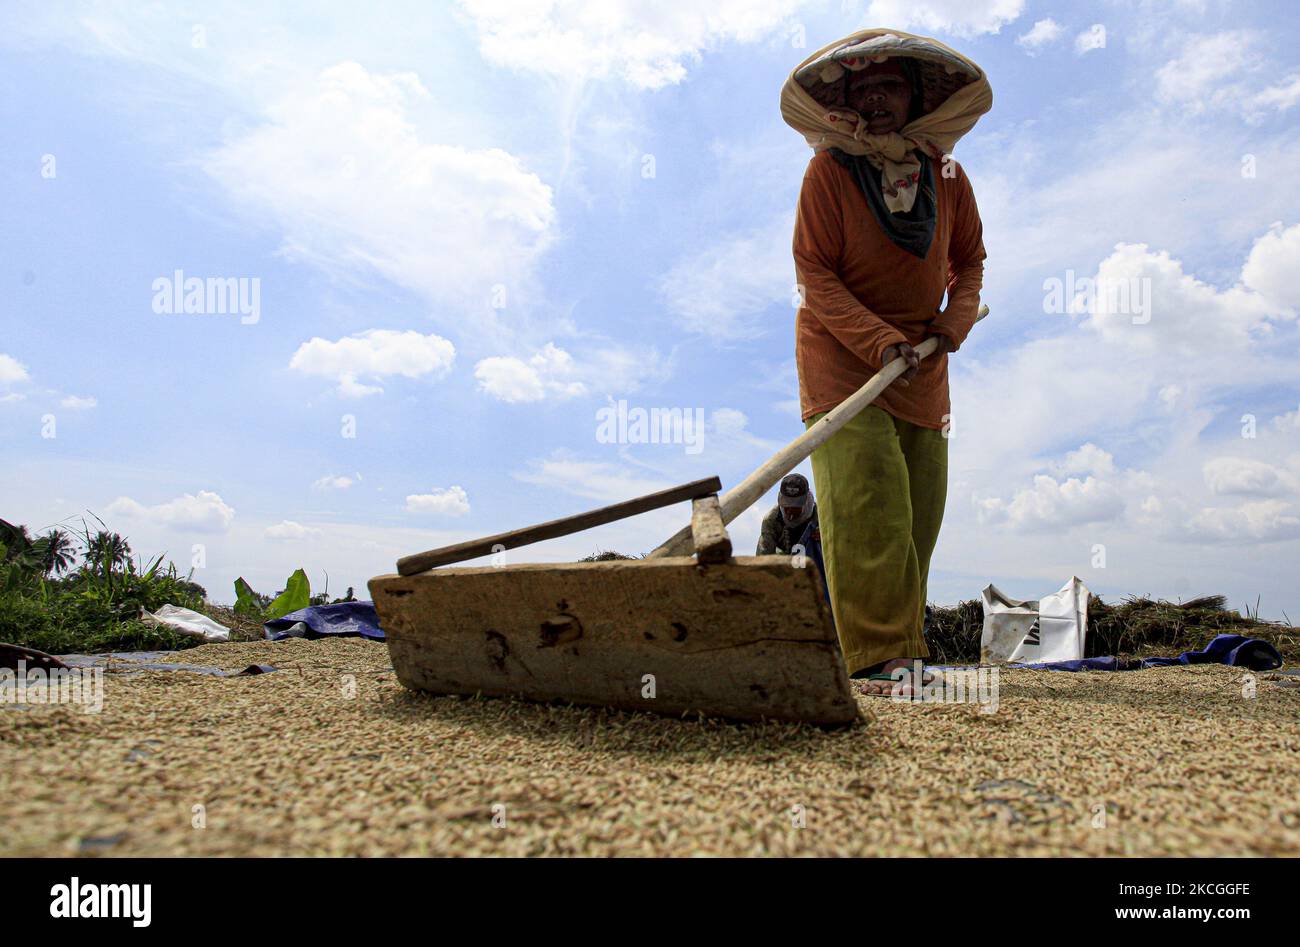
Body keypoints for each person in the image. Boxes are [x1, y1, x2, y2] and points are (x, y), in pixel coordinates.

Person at [779, 30, 992, 696]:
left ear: (915, 95)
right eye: (862, 89)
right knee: (868, 498)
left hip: (923, 366)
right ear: (844, 99)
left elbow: (971, 262)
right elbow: (813, 272)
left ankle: (906, 649)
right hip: (844, 361)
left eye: (889, 87)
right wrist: (875, 339)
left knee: (917, 507)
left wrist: (952, 325)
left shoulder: (947, 175)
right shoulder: (828, 171)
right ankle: (873, 658)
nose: (875, 101)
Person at [756, 473, 819, 556]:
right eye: (786, 504)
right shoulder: (772, 520)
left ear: (806, 501)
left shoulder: (821, 516)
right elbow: (763, 557)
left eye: (795, 506)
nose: (790, 511)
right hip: (784, 564)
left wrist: (826, 536)